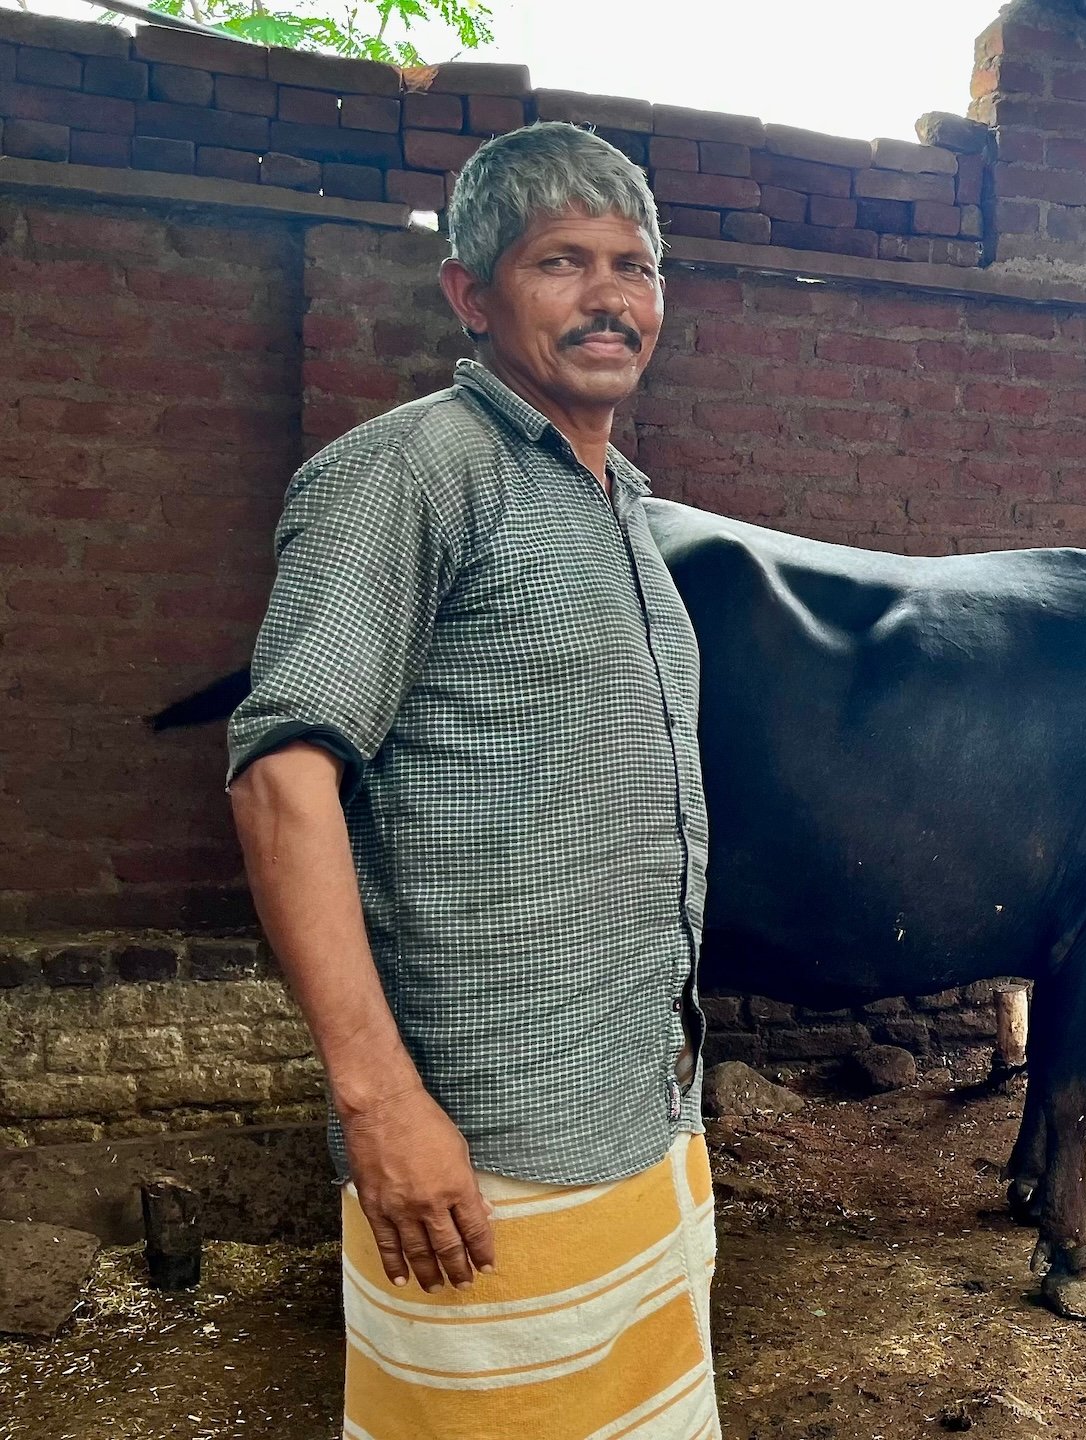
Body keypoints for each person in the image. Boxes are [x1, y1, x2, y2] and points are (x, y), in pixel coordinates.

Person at [224, 122, 719, 1439]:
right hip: (486, 1150)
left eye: (635, 266)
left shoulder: (616, 504)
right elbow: (282, 778)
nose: (612, 297)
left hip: (646, 1117)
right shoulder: (414, 474)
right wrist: (382, 1108)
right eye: (564, 261)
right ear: (471, 292)